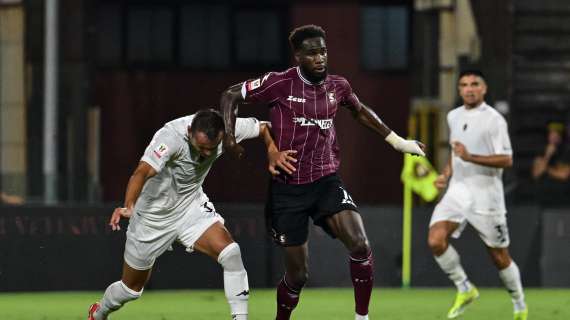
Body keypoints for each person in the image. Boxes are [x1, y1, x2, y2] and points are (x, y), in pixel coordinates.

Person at [220, 25, 425, 320]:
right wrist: (228, 135)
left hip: (326, 180)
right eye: (312, 53)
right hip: (288, 188)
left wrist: (398, 142)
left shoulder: (337, 86)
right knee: (298, 275)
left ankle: (362, 317)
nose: (320, 58)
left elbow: (359, 110)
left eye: (323, 51)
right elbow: (230, 95)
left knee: (360, 244)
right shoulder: (280, 83)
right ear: (299, 56)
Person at [87, 109, 292, 320]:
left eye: (211, 149)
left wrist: (272, 150)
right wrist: (128, 205)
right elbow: (142, 172)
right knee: (130, 289)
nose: (205, 153)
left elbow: (264, 127)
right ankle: (99, 312)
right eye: (201, 147)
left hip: (190, 208)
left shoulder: (228, 128)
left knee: (231, 253)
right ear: (189, 132)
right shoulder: (170, 136)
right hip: (151, 218)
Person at [429, 70, 528, 320]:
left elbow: (507, 158)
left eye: (475, 84)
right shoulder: (453, 116)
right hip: (458, 192)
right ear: (459, 89)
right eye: (464, 84)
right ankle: (465, 288)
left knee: (499, 257)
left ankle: (519, 303)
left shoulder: (494, 120)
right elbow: (456, 152)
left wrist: (470, 156)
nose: (469, 88)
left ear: (484, 89)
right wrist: (447, 173)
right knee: (436, 240)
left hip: (486, 197)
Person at [531, 122, 569, 204]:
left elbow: (563, 175)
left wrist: (546, 169)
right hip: (544, 199)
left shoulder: (566, 152)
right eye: (551, 134)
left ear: (561, 137)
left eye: (557, 135)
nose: (554, 137)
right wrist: (547, 156)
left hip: (564, 199)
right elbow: (536, 174)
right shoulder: (541, 152)